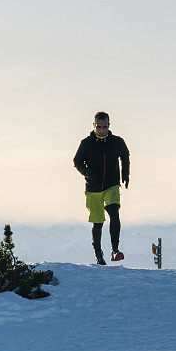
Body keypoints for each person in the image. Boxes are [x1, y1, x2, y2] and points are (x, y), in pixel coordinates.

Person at [73, 111, 130, 265]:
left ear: (109, 125)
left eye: (105, 127)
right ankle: (99, 256)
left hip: (112, 184)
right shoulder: (86, 143)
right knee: (98, 223)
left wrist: (126, 174)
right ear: (94, 125)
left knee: (114, 212)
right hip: (93, 188)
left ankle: (115, 250)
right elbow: (77, 161)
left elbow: (125, 156)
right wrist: (86, 173)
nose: (102, 130)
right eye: (99, 127)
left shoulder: (117, 141)